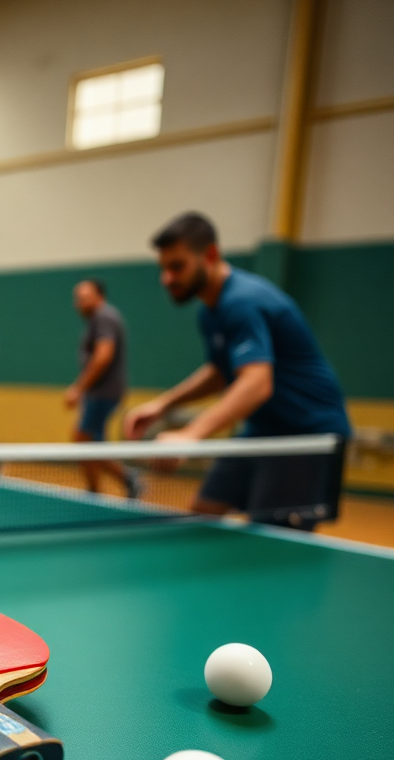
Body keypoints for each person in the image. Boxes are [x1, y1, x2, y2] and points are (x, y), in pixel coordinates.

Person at [124, 212, 350, 526]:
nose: (167, 278)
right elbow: (220, 372)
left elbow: (257, 383)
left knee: (270, 540)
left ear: (211, 255)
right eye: (163, 268)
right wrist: (164, 404)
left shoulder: (242, 301)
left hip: (305, 434)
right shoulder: (210, 311)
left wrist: (192, 434)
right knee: (205, 510)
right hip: (263, 429)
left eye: (177, 266)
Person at [65, 278, 140, 498]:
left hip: (103, 392)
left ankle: (107, 486)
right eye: (78, 299)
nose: (80, 304)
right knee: (91, 441)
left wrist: (79, 388)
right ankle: (113, 484)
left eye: (85, 299)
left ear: (100, 297)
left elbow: (103, 356)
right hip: (100, 392)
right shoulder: (100, 319)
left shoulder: (104, 317)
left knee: (83, 438)